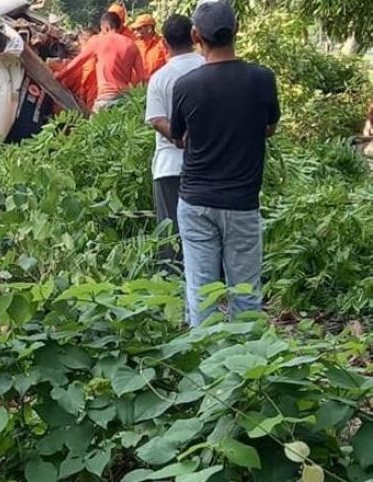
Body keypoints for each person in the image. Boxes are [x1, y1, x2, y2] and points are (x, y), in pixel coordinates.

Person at [170, 1, 280, 326]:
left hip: (195, 202)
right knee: (245, 292)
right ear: (237, 31)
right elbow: (269, 127)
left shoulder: (186, 85)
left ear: (195, 35)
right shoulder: (262, 79)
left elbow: (178, 137)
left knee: (200, 292)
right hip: (242, 203)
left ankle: (202, 366)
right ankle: (246, 368)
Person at [144, 14, 204, 263]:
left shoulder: (161, 77)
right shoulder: (208, 66)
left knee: (171, 232)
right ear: (194, 36)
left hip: (170, 166)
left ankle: (172, 283)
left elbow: (157, 119)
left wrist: (181, 137)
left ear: (164, 43)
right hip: (208, 164)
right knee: (204, 231)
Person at [56, 12, 145, 112]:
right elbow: (142, 77)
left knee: (93, 127)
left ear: (106, 27)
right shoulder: (131, 45)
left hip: (106, 97)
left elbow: (77, 62)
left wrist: (59, 77)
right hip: (125, 99)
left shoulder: (98, 40)